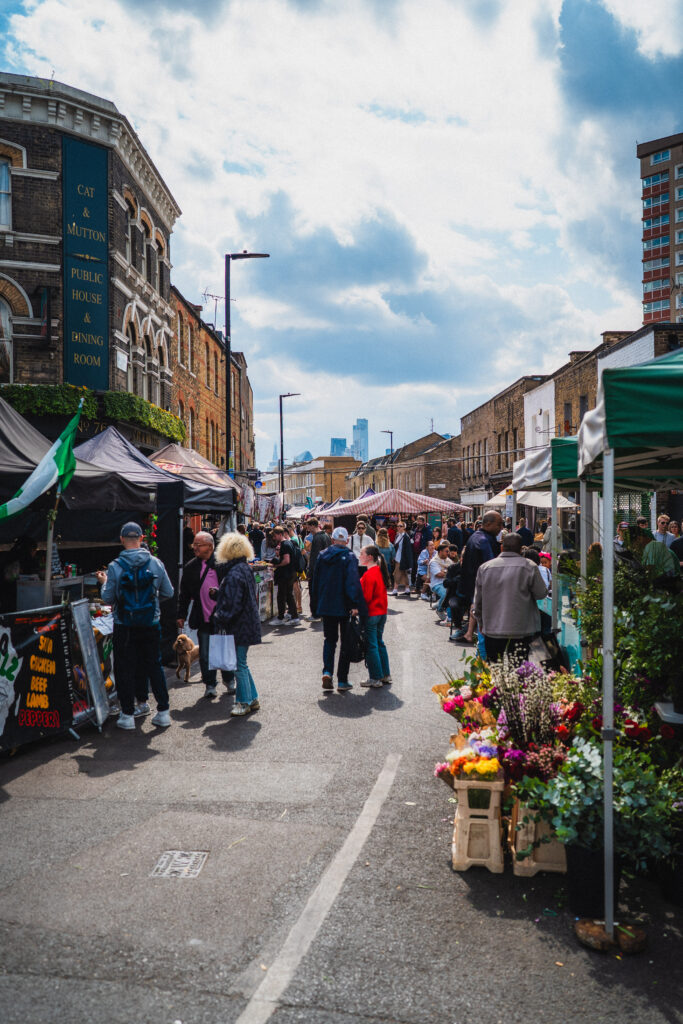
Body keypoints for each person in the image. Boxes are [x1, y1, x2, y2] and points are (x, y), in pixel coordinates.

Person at [97, 522, 174, 730]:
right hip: (151, 623)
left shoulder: (115, 566)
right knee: (154, 665)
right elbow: (169, 592)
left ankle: (128, 715)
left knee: (125, 667)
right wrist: (153, 605)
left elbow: (108, 598)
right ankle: (163, 712)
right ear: (141, 538)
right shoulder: (156, 563)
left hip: (125, 624)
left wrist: (104, 581)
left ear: (122, 540)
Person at [176, 531, 235, 700]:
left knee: (224, 650)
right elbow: (184, 593)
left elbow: (232, 589)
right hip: (203, 617)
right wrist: (181, 613)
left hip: (222, 617)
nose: (194, 547)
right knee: (205, 654)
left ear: (210, 546)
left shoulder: (222, 563)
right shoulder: (190, 567)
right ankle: (210, 685)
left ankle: (229, 680)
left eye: (198, 545)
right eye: (194, 544)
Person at [474, 532, 548, 663]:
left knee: (494, 670)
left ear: (502, 547)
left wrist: (480, 622)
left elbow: (478, 601)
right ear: (520, 549)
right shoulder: (529, 567)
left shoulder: (485, 568)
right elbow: (541, 593)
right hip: (521, 629)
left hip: (492, 628)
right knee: (519, 670)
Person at [310, 526, 365, 692]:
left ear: (333, 540)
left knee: (329, 640)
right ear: (346, 541)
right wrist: (355, 604)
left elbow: (315, 580)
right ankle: (342, 680)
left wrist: (315, 605)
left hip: (326, 605)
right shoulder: (349, 556)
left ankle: (327, 671)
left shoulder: (322, 555)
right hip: (344, 606)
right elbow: (352, 583)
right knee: (345, 642)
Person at [214, 532, 262, 716]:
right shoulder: (244, 568)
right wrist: (219, 595)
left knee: (238, 665)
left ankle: (244, 702)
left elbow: (233, 603)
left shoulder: (234, 572)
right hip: (247, 622)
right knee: (241, 663)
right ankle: (252, 698)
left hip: (239, 624)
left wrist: (219, 616)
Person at [451, 511, 503, 644]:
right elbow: (492, 566)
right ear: (488, 524)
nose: (501, 528)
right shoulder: (484, 541)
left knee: (475, 606)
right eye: (499, 524)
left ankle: (469, 633)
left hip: (470, 583)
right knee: (479, 609)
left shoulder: (476, 536)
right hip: (480, 584)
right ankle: (477, 639)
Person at [358, 545, 391, 687]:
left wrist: (356, 608)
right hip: (381, 612)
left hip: (372, 613)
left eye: (362, 553)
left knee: (372, 645)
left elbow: (366, 597)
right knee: (379, 643)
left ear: (369, 557)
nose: (360, 556)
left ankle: (375, 677)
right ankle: (385, 674)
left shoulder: (369, 574)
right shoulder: (378, 571)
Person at [269, 525, 300, 626]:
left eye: (274, 535)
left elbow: (287, 560)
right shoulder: (288, 543)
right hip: (290, 573)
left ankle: (281, 617)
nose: (273, 538)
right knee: (288, 595)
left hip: (285, 574)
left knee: (282, 596)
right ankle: (294, 617)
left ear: (279, 534)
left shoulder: (285, 545)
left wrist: (276, 564)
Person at [305, 517, 331, 618]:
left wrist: (310, 572)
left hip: (317, 570)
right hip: (326, 569)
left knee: (314, 592)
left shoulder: (317, 538)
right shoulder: (326, 535)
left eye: (308, 527)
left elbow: (314, 557)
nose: (308, 530)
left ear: (313, 526)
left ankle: (315, 614)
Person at [429, 541, 453, 622]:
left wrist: (445, 572)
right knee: (445, 594)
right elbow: (439, 574)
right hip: (437, 584)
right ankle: (439, 610)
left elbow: (453, 571)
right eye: (446, 551)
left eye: (448, 551)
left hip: (448, 583)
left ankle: (439, 602)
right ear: (440, 552)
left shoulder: (448, 561)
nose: (448, 553)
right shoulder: (434, 562)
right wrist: (448, 572)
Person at [389, 521, 413, 596]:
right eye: (398, 526)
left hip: (402, 559)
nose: (398, 527)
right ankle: (407, 589)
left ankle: (395, 590)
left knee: (396, 574)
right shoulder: (397, 536)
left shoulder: (406, 537)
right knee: (403, 574)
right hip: (397, 558)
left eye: (400, 526)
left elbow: (408, 550)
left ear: (404, 527)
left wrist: (409, 562)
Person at [410, 516, 433, 588]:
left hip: (422, 552)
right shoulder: (415, 530)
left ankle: (420, 585)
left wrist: (427, 550)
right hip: (415, 551)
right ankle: (414, 582)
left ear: (423, 522)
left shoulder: (428, 531)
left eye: (420, 521)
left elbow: (429, 541)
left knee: (421, 568)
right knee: (414, 567)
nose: (418, 522)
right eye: (418, 521)